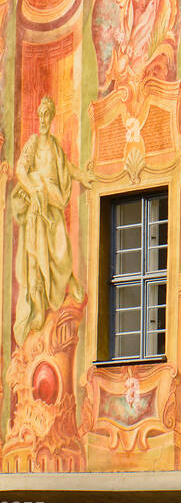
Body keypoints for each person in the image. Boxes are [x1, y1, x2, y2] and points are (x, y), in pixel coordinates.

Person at [11, 97, 93, 345]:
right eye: (42, 115)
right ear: (38, 117)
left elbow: (66, 168)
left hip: (54, 203)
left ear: (53, 117)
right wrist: (35, 189)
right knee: (36, 259)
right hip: (38, 208)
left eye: (48, 114)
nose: (44, 119)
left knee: (61, 252)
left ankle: (69, 279)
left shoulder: (55, 146)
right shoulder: (33, 143)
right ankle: (38, 307)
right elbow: (21, 170)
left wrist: (83, 176)